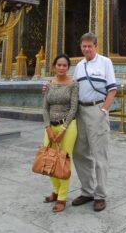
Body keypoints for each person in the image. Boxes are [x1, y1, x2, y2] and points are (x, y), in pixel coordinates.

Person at [71, 32, 117, 212]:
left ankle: (100, 195)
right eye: (84, 46)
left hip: (97, 109)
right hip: (80, 112)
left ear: (96, 46)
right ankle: (87, 190)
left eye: (90, 46)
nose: (87, 49)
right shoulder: (79, 66)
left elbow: (112, 90)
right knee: (79, 152)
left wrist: (103, 110)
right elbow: (73, 88)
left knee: (99, 155)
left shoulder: (105, 62)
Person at [41, 54, 79, 213]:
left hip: (68, 127)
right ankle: (55, 191)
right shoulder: (49, 85)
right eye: (59, 65)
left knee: (63, 162)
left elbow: (74, 108)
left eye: (65, 65)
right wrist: (48, 128)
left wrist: (64, 129)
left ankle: (62, 197)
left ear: (68, 67)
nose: (62, 68)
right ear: (54, 66)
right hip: (51, 126)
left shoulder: (73, 85)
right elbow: (45, 108)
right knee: (49, 159)